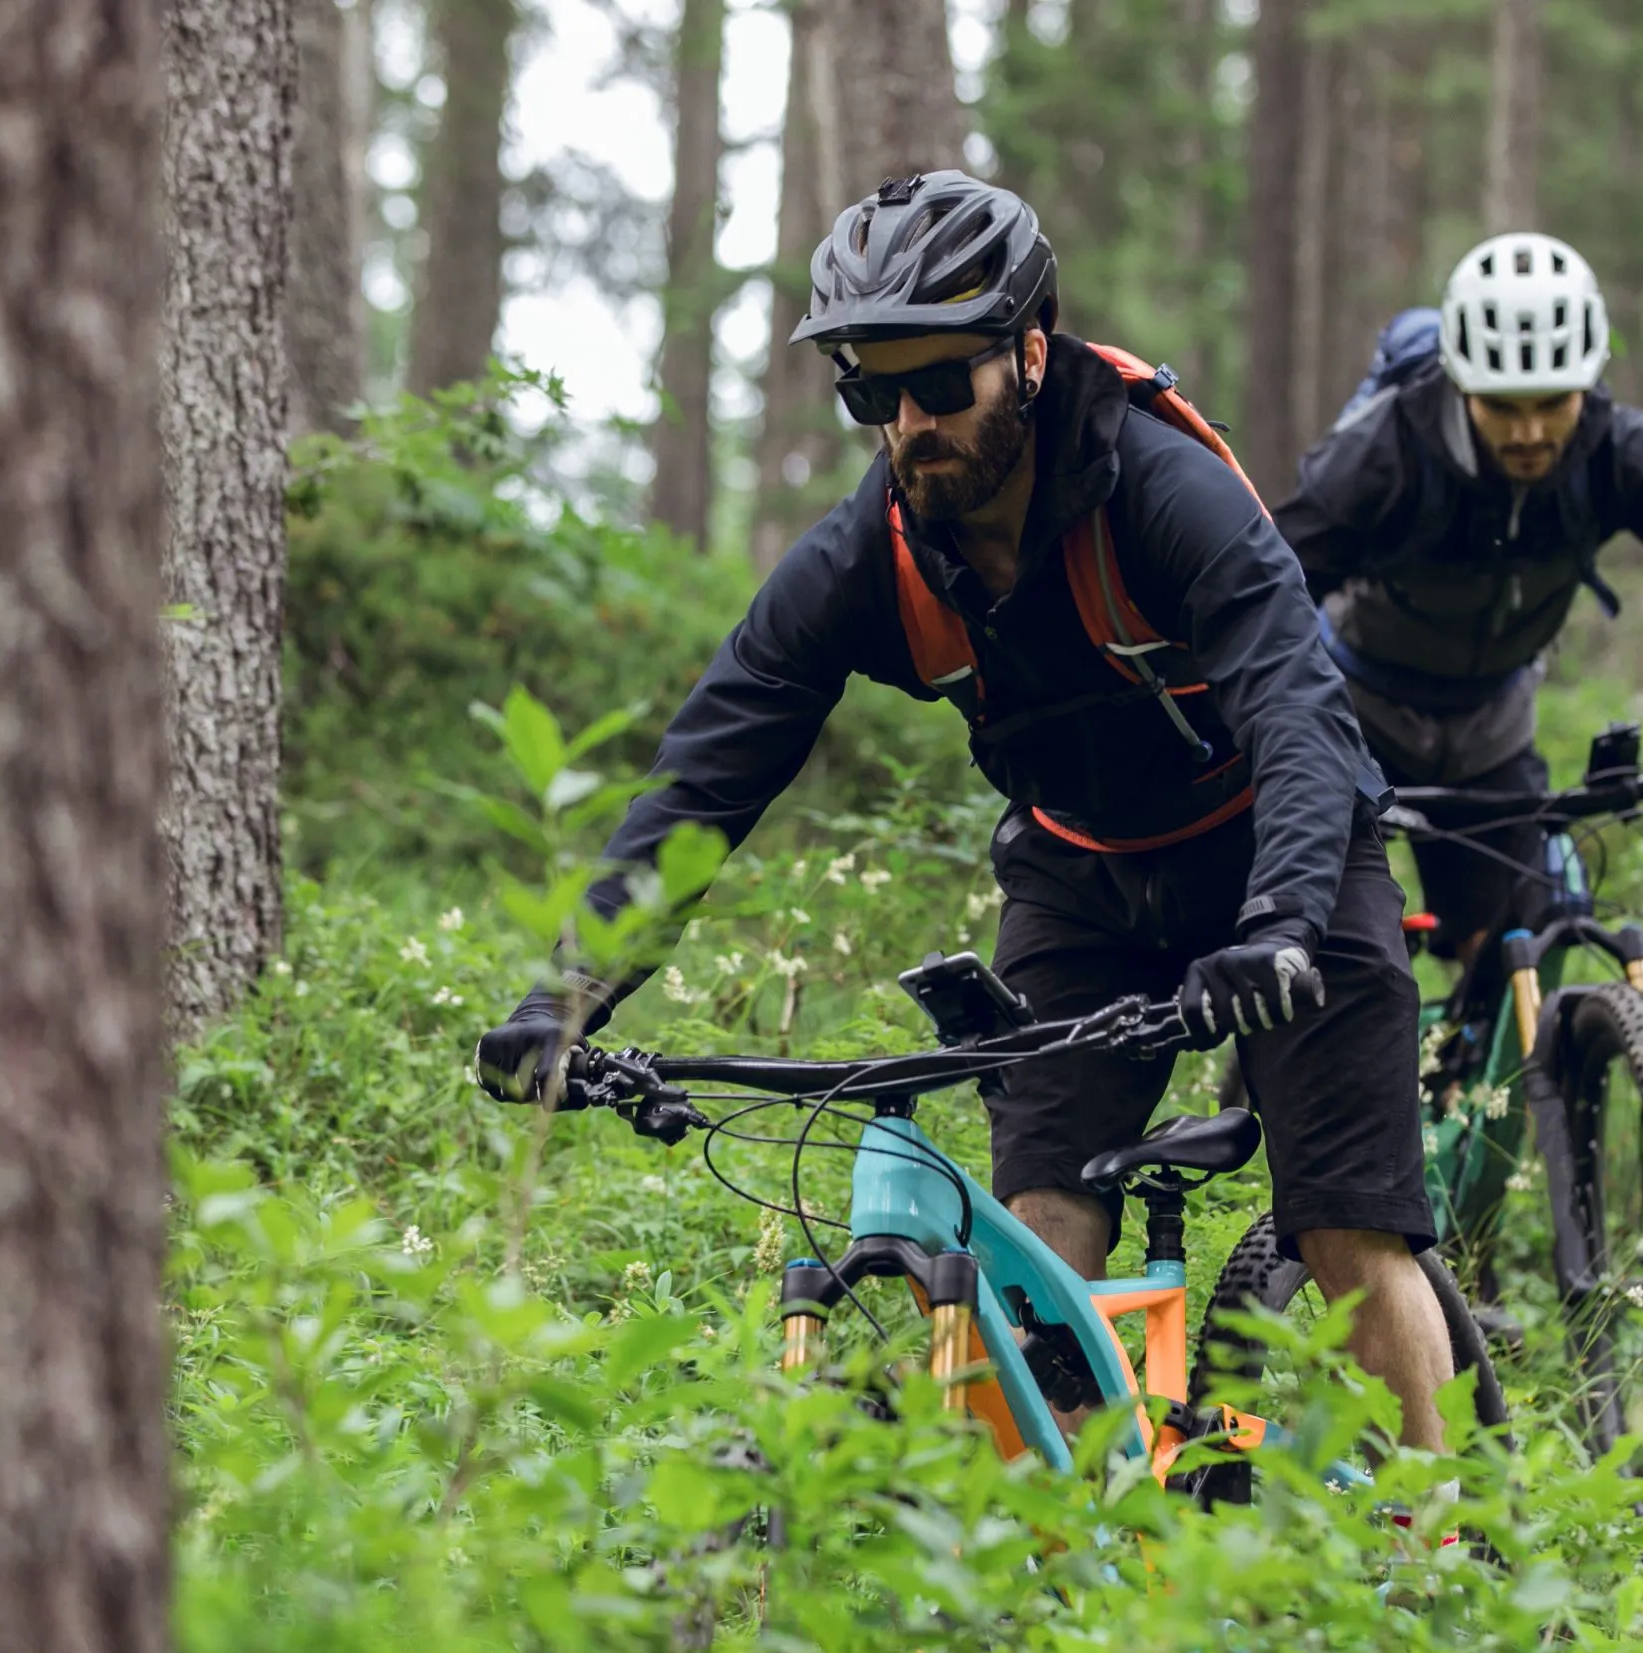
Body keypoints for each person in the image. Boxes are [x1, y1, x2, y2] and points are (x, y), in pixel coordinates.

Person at [474, 171, 1456, 1449]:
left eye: (942, 385)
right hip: (1081, 881)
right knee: (1038, 1227)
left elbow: (1299, 707)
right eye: (872, 393)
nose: (910, 424)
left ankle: (1443, 1542)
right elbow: (710, 773)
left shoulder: (1163, 496)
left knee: (1344, 1224)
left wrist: (1276, 920)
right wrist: (569, 992)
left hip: (1282, 856)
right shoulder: (863, 559)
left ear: (1030, 357)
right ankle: (1048, 1588)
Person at [1275, 232, 1643, 966]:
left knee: (1522, 943)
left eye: (1552, 404)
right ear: (1461, 385)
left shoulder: (1619, 452)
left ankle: (1486, 1075)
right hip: (1360, 720)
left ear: (1587, 382)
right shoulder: (1382, 452)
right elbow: (1271, 589)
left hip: (1491, 729)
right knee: (1342, 956)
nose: (1529, 432)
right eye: (1502, 407)